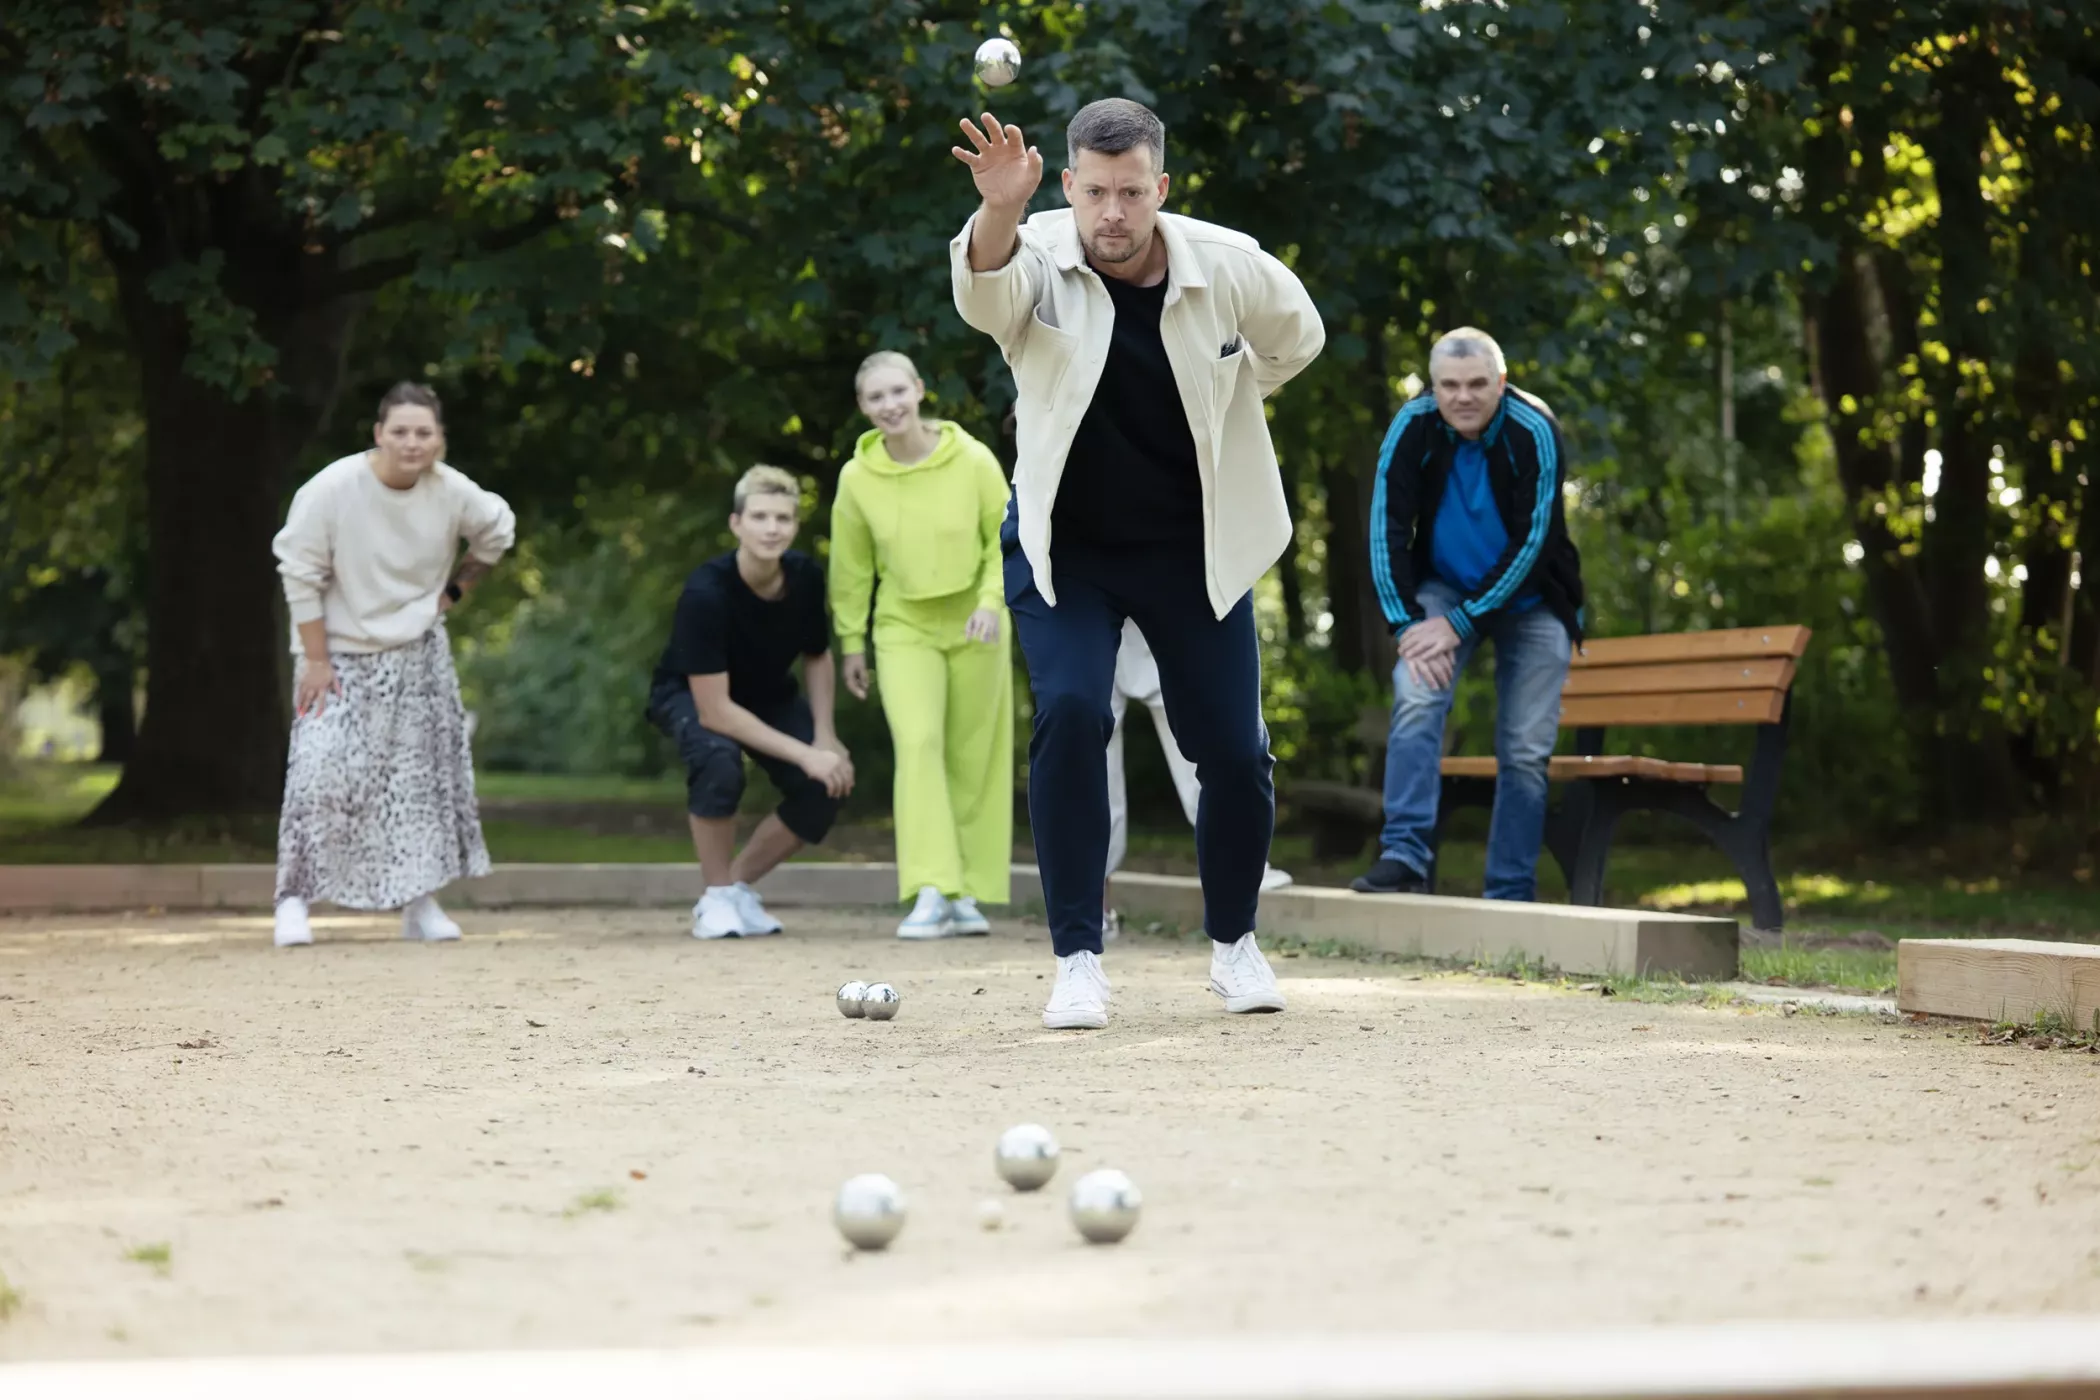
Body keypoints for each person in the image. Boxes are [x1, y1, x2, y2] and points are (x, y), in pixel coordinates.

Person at [948, 98, 1325, 1029]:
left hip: (1193, 547)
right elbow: (982, 295)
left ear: (1160, 187)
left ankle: (1235, 944)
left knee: (1234, 752)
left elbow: (1299, 338)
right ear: (1068, 185)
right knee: (1074, 712)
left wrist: (1231, 392)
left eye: (1130, 193)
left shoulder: (1227, 266)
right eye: (1093, 192)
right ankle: (1079, 958)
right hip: (1065, 549)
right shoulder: (1033, 246)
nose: (1111, 213)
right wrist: (998, 205)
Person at [270, 381, 516, 948]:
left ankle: (420, 901)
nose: (412, 442)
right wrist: (313, 659)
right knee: (319, 774)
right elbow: (299, 573)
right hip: (335, 652)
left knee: (417, 782)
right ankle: (293, 901)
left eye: (424, 433)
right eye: (400, 431)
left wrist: (451, 595)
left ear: (440, 440)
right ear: (378, 434)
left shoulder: (453, 491)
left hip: (417, 650)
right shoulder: (331, 489)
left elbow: (497, 533)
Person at [1352, 328, 1586, 901]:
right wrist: (1407, 625)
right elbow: (1386, 529)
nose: (1463, 396)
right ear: (1432, 388)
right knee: (1416, 696)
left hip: (1534, 600)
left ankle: (1509, 890)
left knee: (1525, 749)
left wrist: (1459, 625)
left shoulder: (1535, 429)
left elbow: (1533, 546)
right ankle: (1404, 857)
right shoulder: (1412, 425)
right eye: (1449, 385)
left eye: (1478, 384)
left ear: (1501, 383)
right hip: (1442, 591)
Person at [830, 350, 1014, 940]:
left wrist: (990, 604)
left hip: (975, 622)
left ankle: (967, 894)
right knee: (918, 743)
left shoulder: (974, 459)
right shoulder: (857, 478)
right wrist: (851, 642)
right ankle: (931, 888)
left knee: (973, 755)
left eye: (897, 392)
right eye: (875, 398)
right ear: (863, 407)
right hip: (903, 625)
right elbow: (851, 568)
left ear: (919, 389)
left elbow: (1005, 538)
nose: (889, 406)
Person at [645, 465, 853, 938]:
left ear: (795, 525)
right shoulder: (706, 594)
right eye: (759, 516)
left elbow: (818, 657)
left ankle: (730, 890)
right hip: (690, 694)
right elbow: (715, 711)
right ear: (736, 524)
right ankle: (716, 895)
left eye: (782, 518)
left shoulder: (804, 576)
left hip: (766, 692)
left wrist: (825, 737)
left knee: (826, 784)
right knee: (719, 761)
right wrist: (807, 754)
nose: (772, 528)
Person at [1102, 620, 1292, 937]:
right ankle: (1094, 901)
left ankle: (1240, 863)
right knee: (1092, 748)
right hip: (1085, 598)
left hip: (1163, 594)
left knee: (1199, 733)